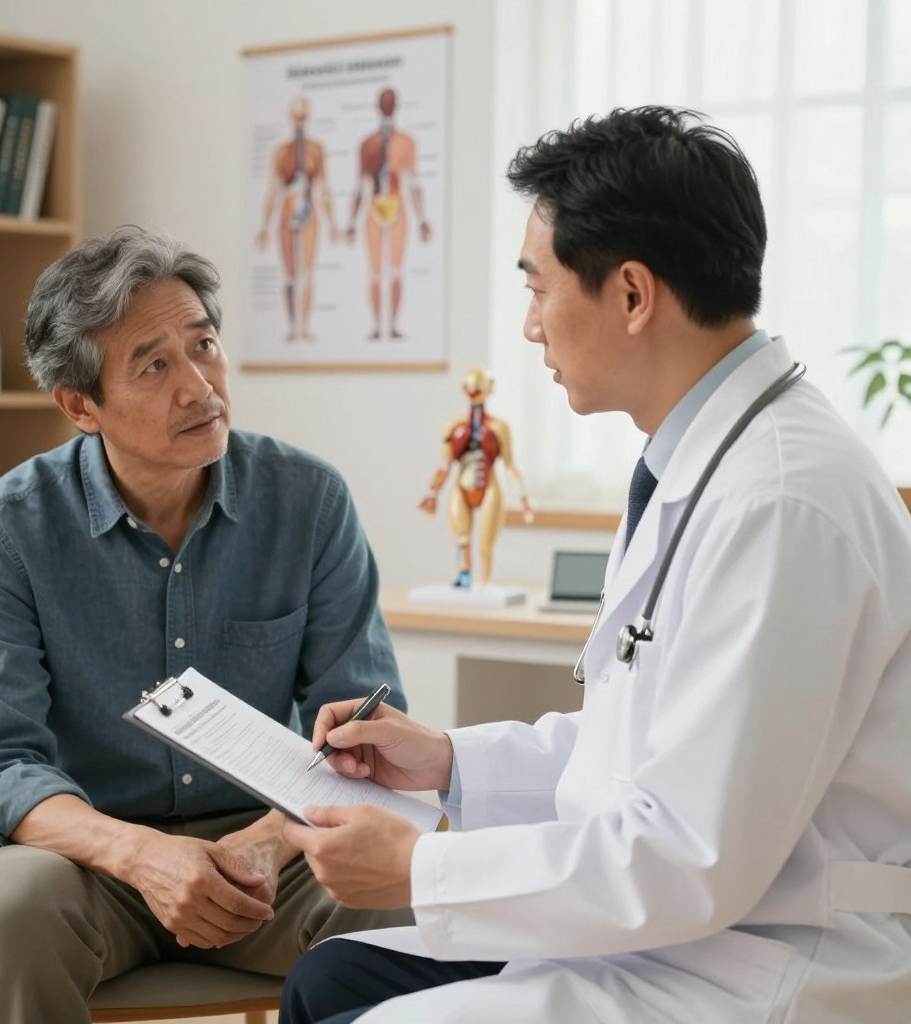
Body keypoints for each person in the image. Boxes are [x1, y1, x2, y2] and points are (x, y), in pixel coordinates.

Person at [277, 107, 911, 1023]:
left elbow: (690, 852)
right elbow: (641, 751)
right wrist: (448, 761)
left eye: (537, 289)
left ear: (632, 295)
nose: (531, 327)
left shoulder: (780, 502)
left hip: (763, 959)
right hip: (677, 927)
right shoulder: (702, 457)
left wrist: (423, 866)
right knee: (329, 978)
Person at [0, 225, 411, 1024]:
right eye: (154, 365)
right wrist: (142, 855)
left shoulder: (308, 501)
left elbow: (364, 727)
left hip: (265, 849)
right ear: (78, 405)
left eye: (205, 345)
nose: (200, 386)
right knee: (15, 906)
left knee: (401, 895)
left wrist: (263, 844)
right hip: (84, 856)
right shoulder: (6, 531)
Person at [418, 366, 533, 587]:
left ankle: (485, 581)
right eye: (469, 386)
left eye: (479, 386)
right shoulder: (452, 427)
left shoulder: (499, 428)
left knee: (486, 544)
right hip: (461, 487)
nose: (473, 390)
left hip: (488, 485)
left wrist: (523, 497)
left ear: (490, 389)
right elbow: (445, 463)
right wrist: (432, 492)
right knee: (462, 539)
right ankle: (464, 577)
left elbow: (510, 465)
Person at [346, 87, 431, 339]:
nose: (387, 106)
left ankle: (392, 324)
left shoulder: (405, 142)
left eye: (390, 102)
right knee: (375, 271)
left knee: (394, 270)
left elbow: (413, 181)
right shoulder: (368, 144)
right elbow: (360, 184)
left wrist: (422, 218)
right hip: (374, 205)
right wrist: (351, 220)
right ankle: (376, 324)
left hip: (396, 204)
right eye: (385, 102)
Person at [255, 96, 338, 341]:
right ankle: (293, 326)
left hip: (309, 213)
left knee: (308, 272)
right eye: (296, 116)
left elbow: (323, 187)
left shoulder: (316, 149)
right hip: (287, 214)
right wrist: (264, 226)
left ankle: (305, 326)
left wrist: (333, 222)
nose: (299, 121)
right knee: (290, 274)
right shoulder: (282, 152)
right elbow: (274, 189)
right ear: (291, 118)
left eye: (303, 116)